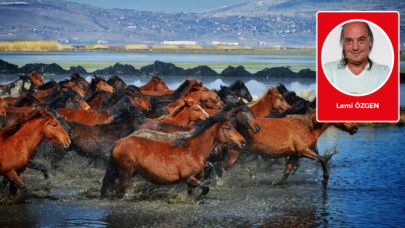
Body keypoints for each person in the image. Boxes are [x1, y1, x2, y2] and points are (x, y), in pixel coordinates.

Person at [323, 21, 390, 94]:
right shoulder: (328, 70)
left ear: (370, 42)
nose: (355, 47)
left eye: (361, 40)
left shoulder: (383, 72)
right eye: (349, 41)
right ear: (343, 45)